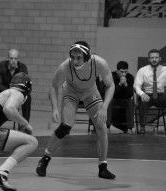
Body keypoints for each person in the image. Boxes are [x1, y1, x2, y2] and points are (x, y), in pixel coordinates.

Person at [36, 41, 116, 180]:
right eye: (72, 57)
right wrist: (54, 108)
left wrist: (104, 106)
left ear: (87, 57)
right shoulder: (65, 66)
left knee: (101, 127)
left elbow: (110, 85)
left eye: (79, 58)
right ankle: (45, 158)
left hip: (90, 91)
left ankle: (103, 167)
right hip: (71, 91)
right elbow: (53, 86)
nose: (75, 61)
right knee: (65, 127)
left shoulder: (99, 63)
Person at [134, 49, 166, 137]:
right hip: (147, 95)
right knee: (143, 103)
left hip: (161, 96)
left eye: (156, 57)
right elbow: (136, 85)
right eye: (152, 58)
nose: (154, 59)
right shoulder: (142, 70)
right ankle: (142, 129)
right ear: (148, 59)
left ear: (160, 58)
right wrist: (142, 94)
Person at [0, 49, 31, 125]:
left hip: (17, 92)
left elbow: (25, 84)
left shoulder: (23, 67)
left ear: (18, 59)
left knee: (28, 98)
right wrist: (9, 93)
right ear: (7, 58)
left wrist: (17, 94)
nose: (13, 61)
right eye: (11, 58)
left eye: (15, 58)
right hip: (2, 91)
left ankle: (24, 124)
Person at [107, 61, 134, 134]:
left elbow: (130, 94)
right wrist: (119, 84)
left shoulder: (130, 77)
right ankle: (107, 127)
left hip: (124, 99)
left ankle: (130, 128)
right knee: (109, 100)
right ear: (117, 71)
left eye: (125, 72)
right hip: (114, 98)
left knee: (130, 101)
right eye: (121, 72)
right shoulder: (111, 76)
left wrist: (125, 84)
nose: (124, 74)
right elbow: (111, 93)